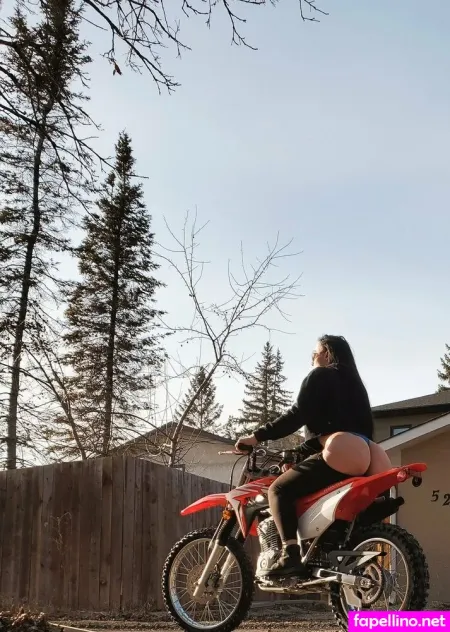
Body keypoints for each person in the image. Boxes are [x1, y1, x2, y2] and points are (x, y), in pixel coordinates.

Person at [235, 334, 391, 579]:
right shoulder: (355, 384)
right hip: (372, 453)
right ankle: (332, 555)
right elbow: (337, 428)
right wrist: (302, 451)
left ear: (326, 353)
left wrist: (255, 437)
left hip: (343, 448)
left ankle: (290, 554)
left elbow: (297, 415)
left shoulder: (321, 375)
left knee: (279, 490)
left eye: (315, 353)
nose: (312, 359)